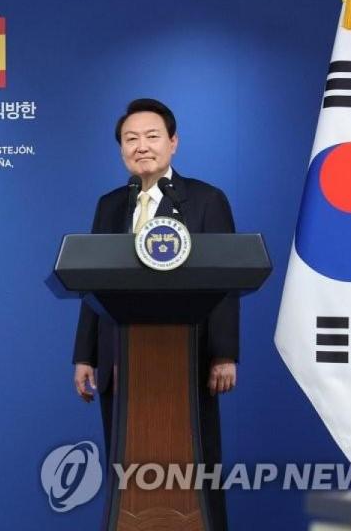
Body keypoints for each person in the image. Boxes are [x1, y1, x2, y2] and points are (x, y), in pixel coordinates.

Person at [72, 98, 238, 530]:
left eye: (151, 136)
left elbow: (227, 281)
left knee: (196, 470)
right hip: (119, 360)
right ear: (121, 149)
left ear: (173, 143)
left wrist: (224, 353)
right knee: (125, 468)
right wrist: (84, 355)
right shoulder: (110, 205)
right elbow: (91, 285)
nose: (141, 146)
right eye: (130, 139)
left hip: (188, 360)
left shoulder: (205, 200)